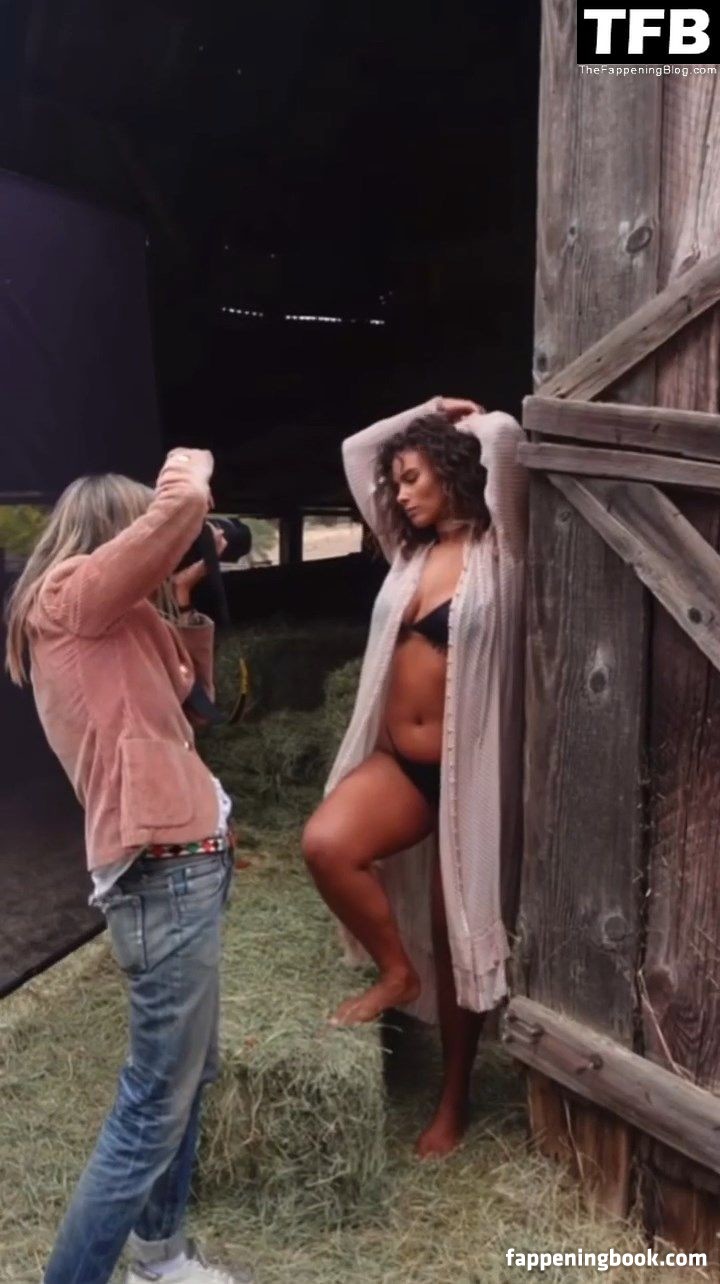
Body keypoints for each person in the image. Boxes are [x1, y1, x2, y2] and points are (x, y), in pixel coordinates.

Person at [4, 450, 252, 1284]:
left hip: (186, 860)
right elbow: (181, 505)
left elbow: (191, 712)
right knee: (151, 1106)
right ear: (119, 531)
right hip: (162, 869)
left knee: (184, 1081)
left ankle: (160, 1257)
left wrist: (184, 602)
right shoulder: (68, 597)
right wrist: (189, 472)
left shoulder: (118, 623)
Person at [302, 396, 527, 1158]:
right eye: (395, 483)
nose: (398, 495)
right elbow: (355, 449)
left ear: (455, 471)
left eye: (412, 478)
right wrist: (426, 411)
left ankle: (454, 1097)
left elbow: (504, 437)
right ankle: (397, 975)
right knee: (327, 845)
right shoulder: (408, 552)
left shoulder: (505, 546)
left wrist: (461, 424)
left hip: (466, 777)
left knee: (455, 932)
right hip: (397, 764)